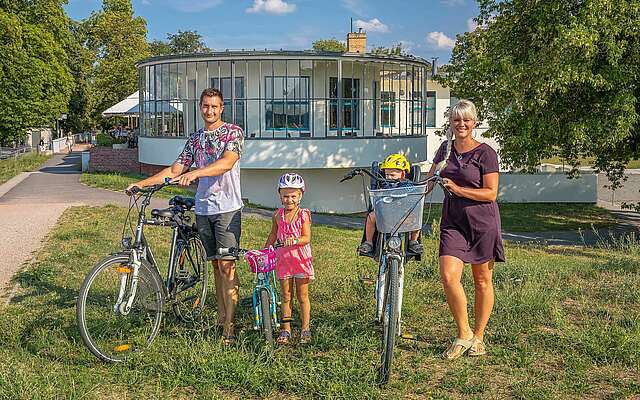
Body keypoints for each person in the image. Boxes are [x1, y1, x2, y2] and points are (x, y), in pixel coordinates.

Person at [126, 88, 244, 345]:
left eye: (214, 106)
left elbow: (227, 162)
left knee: (227, 266)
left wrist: (196, 173)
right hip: (203, 209)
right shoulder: (195, 139)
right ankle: (221, 318)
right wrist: (143, 184)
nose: (210, 111)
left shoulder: (233, 132)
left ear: (221, 107)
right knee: (214, 265)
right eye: (205, 106)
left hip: (227, 208)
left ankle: (230, 328)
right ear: (200, 107)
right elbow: (174, 169)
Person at [426, 99, 505, 360]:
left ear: (474, 123)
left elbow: (491, 193)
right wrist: (401, 187)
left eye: (466, 120)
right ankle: (464, 333)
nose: (461, 124)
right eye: (457, 119)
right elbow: (428, 182)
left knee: (482, 281)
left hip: (483, 223)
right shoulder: (444, 151)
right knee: (449, 277)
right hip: (453, 222)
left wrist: (458, 189)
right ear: (450, 122)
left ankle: (479, 337)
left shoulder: (485, 153)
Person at [264, 173, 314, 344]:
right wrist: (265, 250)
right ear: (280, 195)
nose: (289, 200)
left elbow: (307, 237)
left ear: (300, 196)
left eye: (293, 196)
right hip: (283, 261)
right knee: (286, 296)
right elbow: (273, 234)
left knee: (302, 296)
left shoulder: (303, 215)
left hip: (300, 261)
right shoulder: (277, 215)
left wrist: (295, 240)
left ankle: (305, 328)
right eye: (285, 195)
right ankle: (286, 329)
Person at [357, 153, 423, 255]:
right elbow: (378, 199)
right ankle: (369, 242)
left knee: (417, 216)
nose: (389, 177)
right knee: (371, 217)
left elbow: (413, 197)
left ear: (402, 174)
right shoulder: (384, 184)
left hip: (403, 215)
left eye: (392, 175)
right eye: (387, 174)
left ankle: (413, 241)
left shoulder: (408, 185)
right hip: (386, 215)